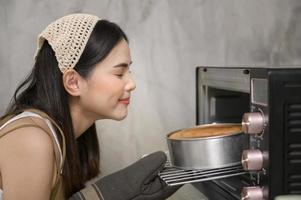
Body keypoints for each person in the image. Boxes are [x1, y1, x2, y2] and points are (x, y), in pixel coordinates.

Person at [0, 14, 180, 200]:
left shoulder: (65, 136)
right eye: (119, 73)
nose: (132, 83)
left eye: (129, 71)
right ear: (74, 82)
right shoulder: (32, 139)